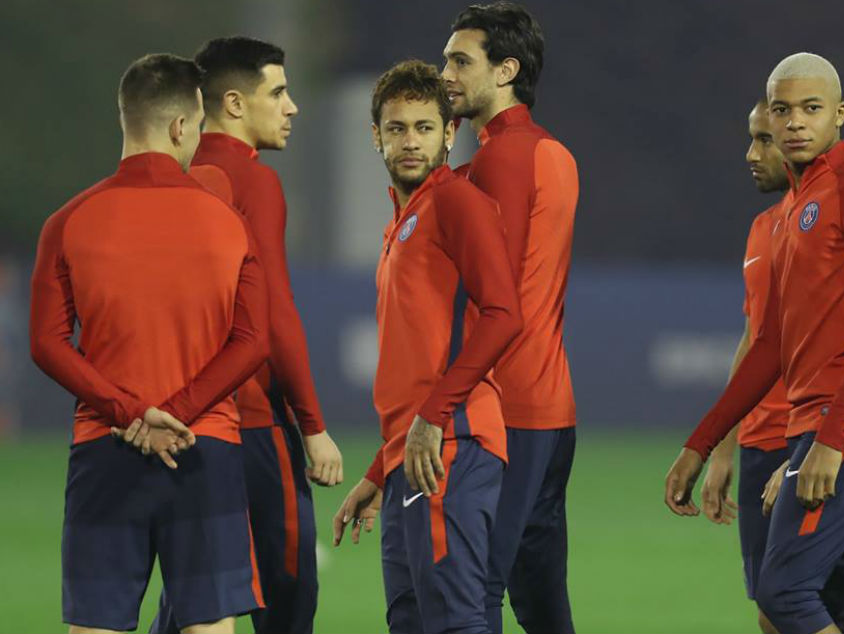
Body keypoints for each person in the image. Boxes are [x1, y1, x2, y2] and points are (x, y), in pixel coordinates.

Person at [665, 53, 844, 634]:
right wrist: (702, 444)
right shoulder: (787, 215)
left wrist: (831, 438)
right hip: (816, 421)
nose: (795, 122)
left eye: (811, 108)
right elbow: (770, 345)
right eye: (783, 110)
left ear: (839, 115)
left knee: (784, 593)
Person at [30, 53, 269, 634]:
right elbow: (254, 340)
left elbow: (46, 342)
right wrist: (180, 412)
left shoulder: (67, 222)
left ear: (125, 119)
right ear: (182, 126)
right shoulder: (227, 221)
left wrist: (131, 413)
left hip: (106, 449)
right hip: (204, 447)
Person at [146, 35, 341, 634]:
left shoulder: (171, 180)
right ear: (233, 103)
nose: (292, 106)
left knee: (194, 599)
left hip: (180, 423)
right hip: (253, 423)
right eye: (277, 92)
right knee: (288, 601)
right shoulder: (253, 183)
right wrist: (312, 428)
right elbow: (275, 314)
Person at [331, 60, 522, 634]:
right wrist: (379, 470)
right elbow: (415, 360)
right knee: (413, 620)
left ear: (449, 133)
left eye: (422, 127)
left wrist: (432, 418)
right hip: (412, 453)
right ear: (376, 137)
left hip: (452, 443)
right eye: (396, 128)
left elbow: (504, 314)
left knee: (453, 620)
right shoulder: (403, 221)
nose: (409, 141)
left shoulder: (455, 202)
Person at [441, 4, 578, 631]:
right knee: (542, 602)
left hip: (509, 410)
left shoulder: (499, 160)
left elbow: (494, 298)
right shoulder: (550, 150)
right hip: (552, 408)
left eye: (460, 61)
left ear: (507, 71)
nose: (447, 74)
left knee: (477, 592)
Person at [698, 99, 791, 634]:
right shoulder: (762, 228)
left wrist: (812, 444)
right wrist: (725, 447)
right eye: (752, 138)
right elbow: (753, 338)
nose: (750, 153)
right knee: (771, 611)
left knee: (813, 601)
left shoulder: (834, 224)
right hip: (759, 441)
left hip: (808, 438)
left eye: (764, 140)